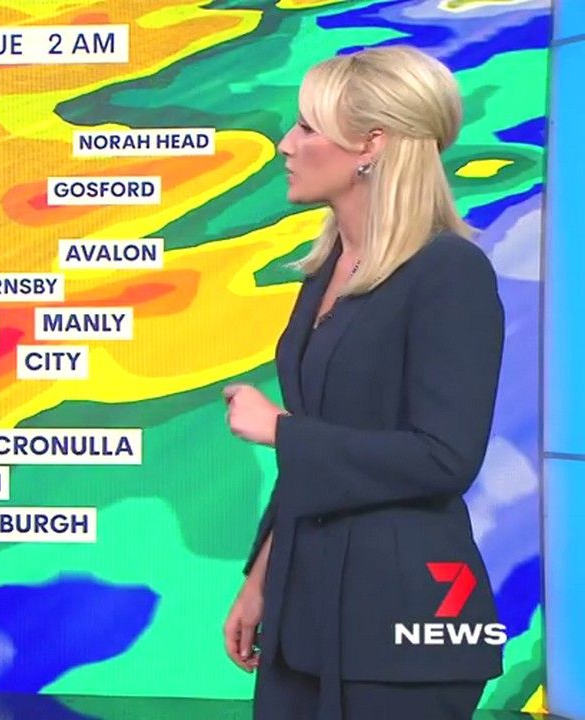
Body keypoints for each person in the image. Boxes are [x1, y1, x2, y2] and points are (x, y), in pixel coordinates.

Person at [219, 45, 506, 720]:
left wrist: (280, 430)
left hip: (403, 623)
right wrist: (261, 576)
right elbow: (324, 452)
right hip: (305, 616)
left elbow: (444, 457)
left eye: (307, 128)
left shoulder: (448, 272)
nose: (287, 145)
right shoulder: (327, 271)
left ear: (370, 145)